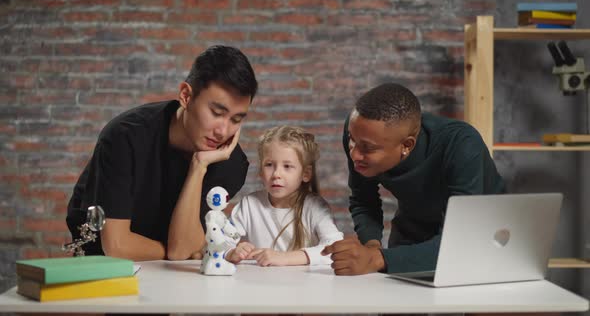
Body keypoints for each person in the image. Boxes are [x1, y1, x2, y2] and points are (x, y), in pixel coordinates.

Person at [66, 45, 258, 261]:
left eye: (236, 119)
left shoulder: (229, 163)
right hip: (106, 270)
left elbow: (184, 249)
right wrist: (178, 251)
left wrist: (199, 166)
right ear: (186, 96)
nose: (223, 131)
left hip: (178, 278)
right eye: (216, 113)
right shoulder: (125, 136)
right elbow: (117, 247)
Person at [322, 83, 505, 275]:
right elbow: (363, 198)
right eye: (351, 139)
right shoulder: (360, 131)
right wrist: (371, 247)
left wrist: (377, 258)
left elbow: (459, 241)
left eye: (368, 148)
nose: (355, 154)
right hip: (411, 233)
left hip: (482, 239)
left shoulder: (462, 144)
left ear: (407, 145)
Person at [226, 125, 343, 266]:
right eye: (269, 165)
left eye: (287, 166)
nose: (276, 174)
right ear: (261, 172)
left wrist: (285, 258)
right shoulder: (249, 205)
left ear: (305, 174)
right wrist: (232, 252)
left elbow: (336, 248)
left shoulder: (314, 207)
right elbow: (220, 241)